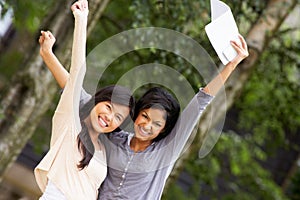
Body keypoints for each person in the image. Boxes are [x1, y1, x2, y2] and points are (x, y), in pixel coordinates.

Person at [40, 6, 249, 199]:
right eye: (146, 117)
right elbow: (76, 91)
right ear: (137, 114)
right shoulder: (112, 138)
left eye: (157, 124)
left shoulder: (165, 152)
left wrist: (232, 64)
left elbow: (200, 102)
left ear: (164, 130)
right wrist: (48, 56)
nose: (148, 126)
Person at [34, 1, 135, 199]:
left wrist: (47, 54)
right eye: (108, 107)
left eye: (118, 117)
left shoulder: (104, 150)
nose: (109, 117)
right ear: (97, 101)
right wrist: (81, 19)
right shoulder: (72, 123)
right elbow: (77, 73)